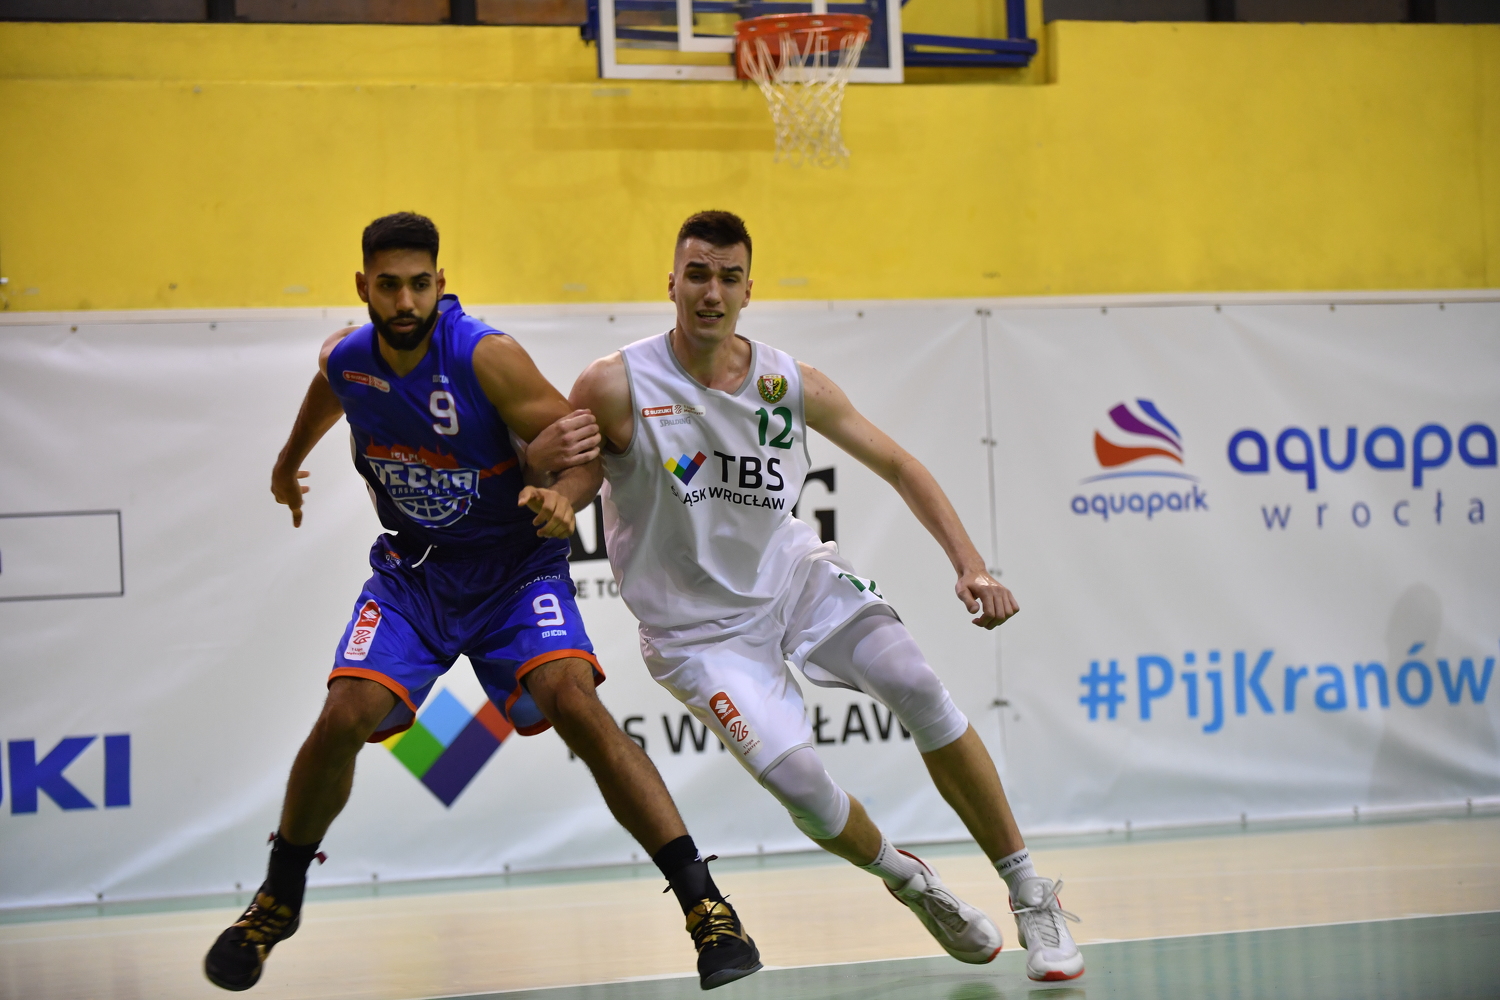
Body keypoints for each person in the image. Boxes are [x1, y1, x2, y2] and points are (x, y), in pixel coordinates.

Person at [203, 213, 761, 993]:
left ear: (441, 282)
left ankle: (707, 907)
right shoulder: (349, 358)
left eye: (419, 284)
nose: (405, 301)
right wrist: (287, 460)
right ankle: (278, 898)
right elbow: (331, 387)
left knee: (574, 702)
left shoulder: (484, 357)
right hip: (415, 575)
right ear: (363, 287)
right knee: (344, 713)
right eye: (389, 286)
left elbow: (583, 446)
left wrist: (565, 497)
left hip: (514, 572)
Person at [564, 210, 1084, 982]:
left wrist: (971, 565)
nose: (712, 292)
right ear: (671, 282)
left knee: (915, 683)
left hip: (795, 580)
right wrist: (549, 493)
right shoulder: (617, 383)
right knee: (803, 790)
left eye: (729, 277)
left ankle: (1030, 893)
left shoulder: (787, 382)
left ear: (749, 290)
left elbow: (900, 464)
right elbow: (570, 477)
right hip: (697, 635)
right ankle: (911, 880)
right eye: (698, 274)